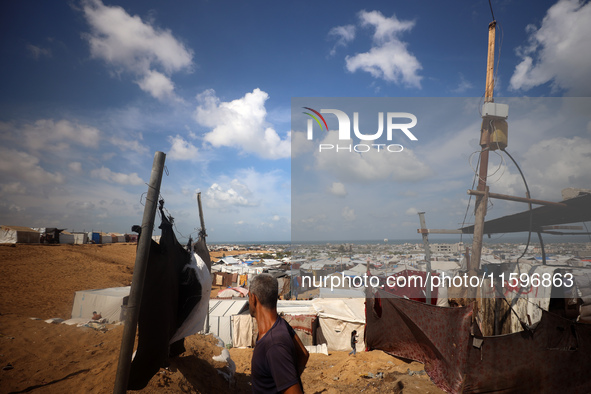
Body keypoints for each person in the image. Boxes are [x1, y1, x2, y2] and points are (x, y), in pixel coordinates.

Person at [249, 273, 309, 393]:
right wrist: (285, 378)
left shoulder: (274, 345)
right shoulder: (280, 324)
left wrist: (287, 379)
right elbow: (303, 354)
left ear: (253, 298)